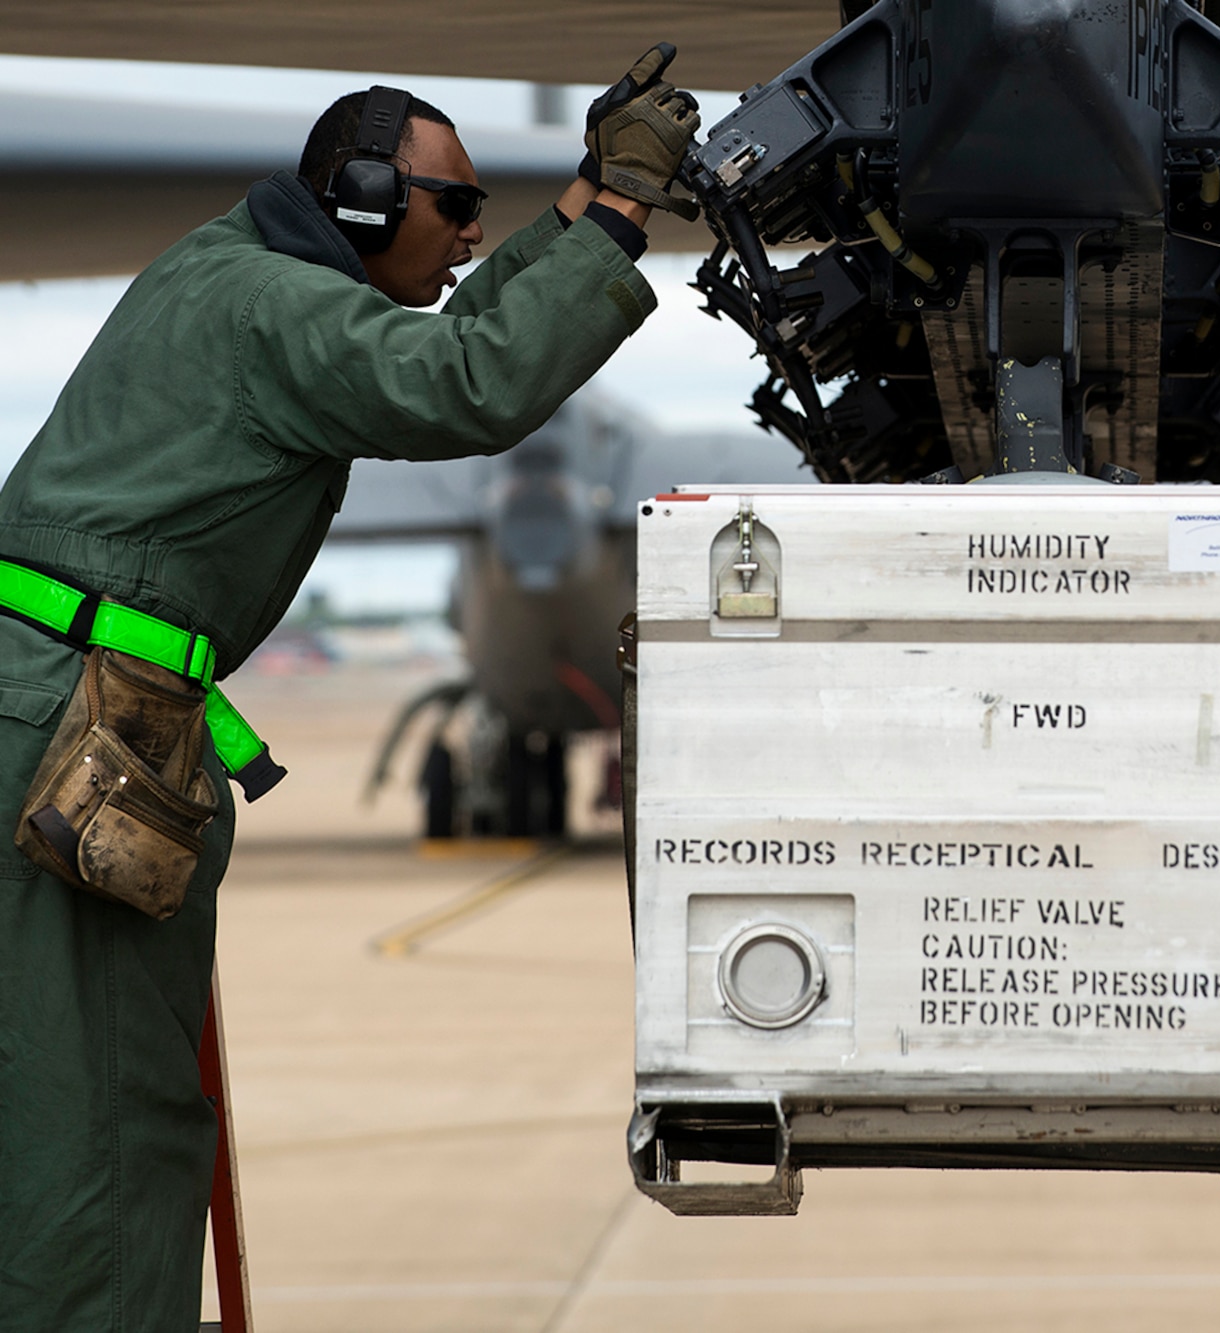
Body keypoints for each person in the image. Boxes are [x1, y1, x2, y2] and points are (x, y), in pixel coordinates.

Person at [0, 47, 697, 1328]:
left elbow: (463, 321)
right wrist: (617, 220)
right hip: (68, 721)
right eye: (454, 210)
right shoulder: (275, 307)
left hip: (76, 707)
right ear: (366, 197)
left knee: (88, 1101)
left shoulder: (238, 274)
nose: (472, 238)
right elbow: (469, 379)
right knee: (91, 1129)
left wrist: (583, 201)